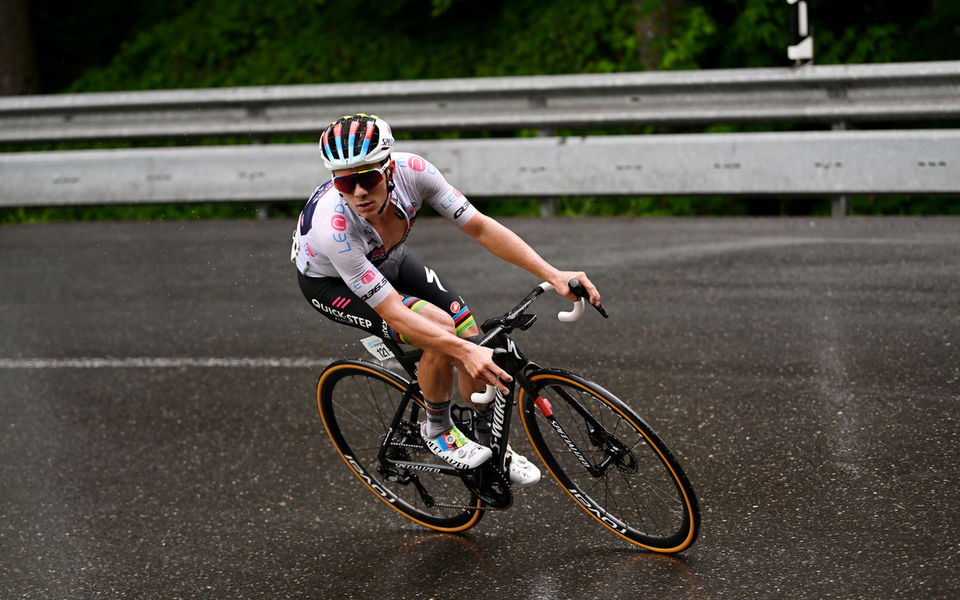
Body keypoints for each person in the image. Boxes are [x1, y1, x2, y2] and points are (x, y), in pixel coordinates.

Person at [293, 113, 601, 486]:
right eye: (345, 181)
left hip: (388, 257)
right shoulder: (335, 228)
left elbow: (480, 226)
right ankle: (436, 428)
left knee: (468, 331)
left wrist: (552, 273)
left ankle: (488, 443)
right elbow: (394, 312)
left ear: (389, 168)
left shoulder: (416, 172)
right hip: (331, 283)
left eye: (368, 178)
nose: (359, 192)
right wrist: (458, 351)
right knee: (439, 331)